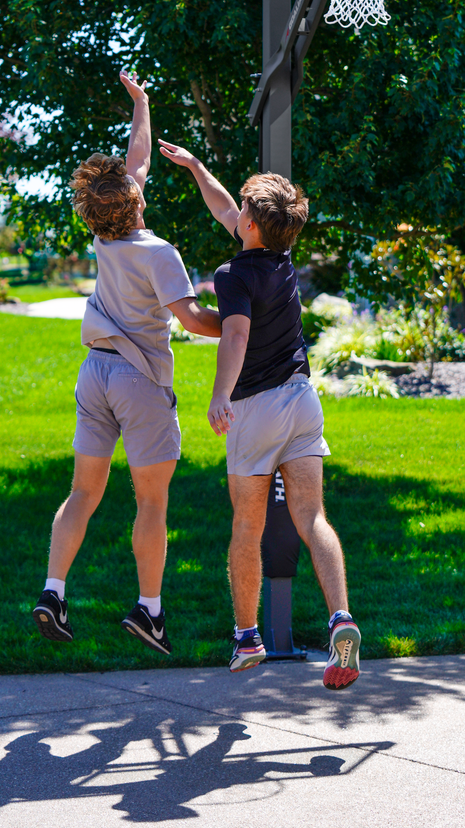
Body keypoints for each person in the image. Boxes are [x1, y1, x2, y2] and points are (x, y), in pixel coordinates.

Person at [158, 140, 361, 690]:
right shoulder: (280, 256)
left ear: (251, 225)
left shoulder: (233, 275)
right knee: (312, 516)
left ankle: (248, 637)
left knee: (247, 524)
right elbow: (226, 207)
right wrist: (196, 167)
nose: (237, 212)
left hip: (257, 407)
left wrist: (219, 394)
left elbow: (234, 335)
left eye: (243, 209)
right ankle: (341, 617)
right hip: (303, 400)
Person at [32, 71, 221, 655]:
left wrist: (141, 104)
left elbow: (135, 162)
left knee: (82, 493)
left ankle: (53, 593)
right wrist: (244, 322)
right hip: (140, 380)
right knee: (151, 501)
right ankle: (149, 610)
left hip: (95, 373)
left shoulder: (103, 237)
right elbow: (194, 321)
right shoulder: (159, 253)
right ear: (136, 203)